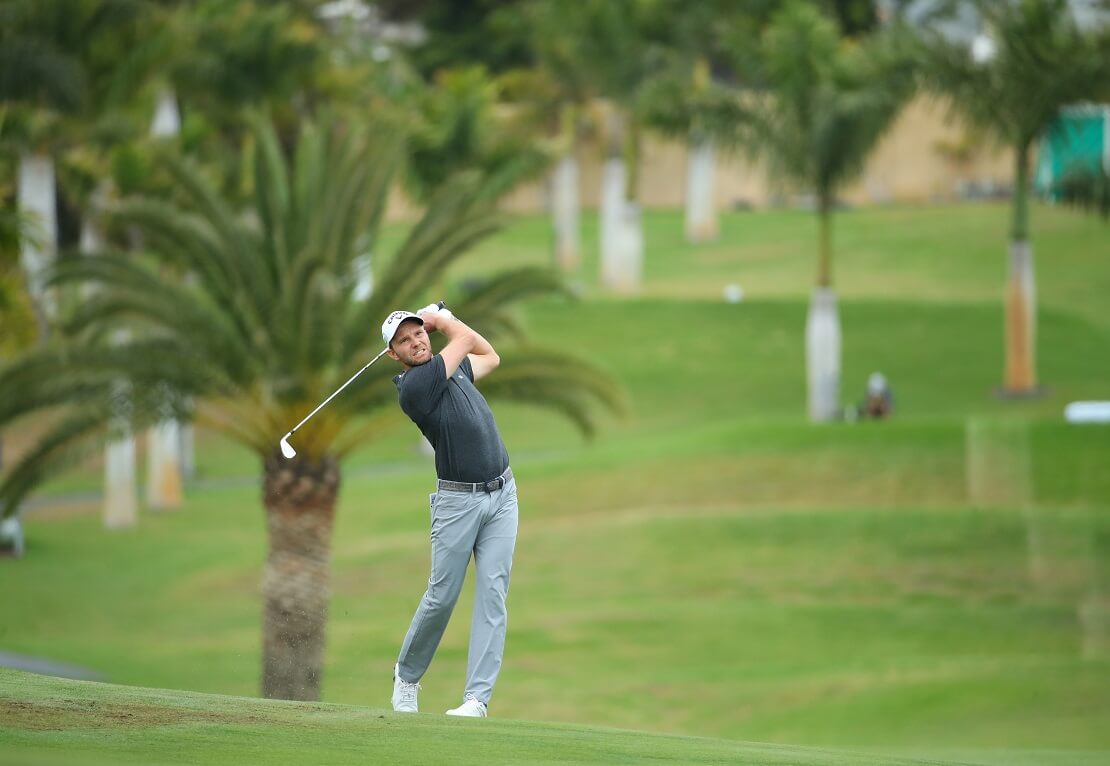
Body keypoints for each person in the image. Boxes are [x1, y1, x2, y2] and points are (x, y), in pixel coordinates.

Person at [381, 304, 518, 718]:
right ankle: (406, 677)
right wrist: (442, 320)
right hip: (458, 503)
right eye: (404, 340)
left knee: (493, 594)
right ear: (394, 355)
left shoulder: (451, 368)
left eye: (418, 333)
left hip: (502, 494)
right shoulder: (414, 386)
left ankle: (477, 699)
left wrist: (441, 322)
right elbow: (463, 341)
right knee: (442, 596)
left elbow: (490, 355)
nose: (416, 341)